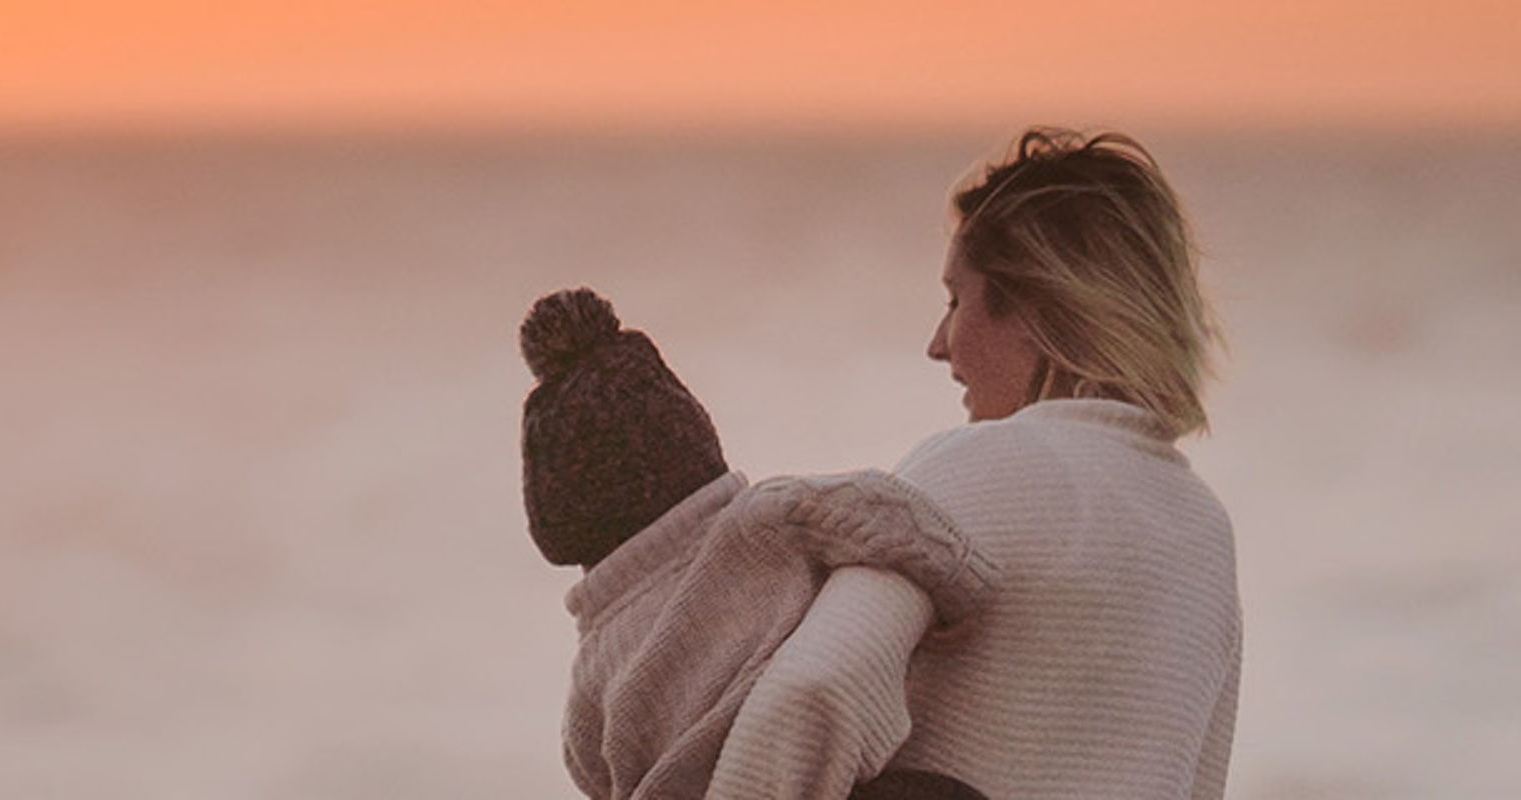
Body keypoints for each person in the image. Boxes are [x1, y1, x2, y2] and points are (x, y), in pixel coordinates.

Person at [707, 128, 1241, 799]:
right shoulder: (1203, 531)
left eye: (956, 300)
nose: (938, 344)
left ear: (1040, 307)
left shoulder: (981, 465)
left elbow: (817, 689)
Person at [518, 287, 995, 799]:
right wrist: (962, 588)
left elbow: (600, 779)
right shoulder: (764, 519)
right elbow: (885, 512)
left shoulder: (590, 681)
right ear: (691, 436)